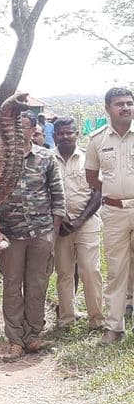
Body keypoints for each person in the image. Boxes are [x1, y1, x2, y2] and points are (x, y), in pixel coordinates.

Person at [0, 111, 65, 362]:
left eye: (24, 128)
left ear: (34, 130)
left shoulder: (46, 158)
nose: (19, 132)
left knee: (37, 286)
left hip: (41, 233)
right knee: (12, 287)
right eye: (15, 128)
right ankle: (15, 340)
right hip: (11, 235)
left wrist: (52, 233)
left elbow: (58, 198)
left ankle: (32, 337)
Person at [85, 87, 134, 344]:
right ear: (107, 109)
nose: (125, 108)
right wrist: (113, 193)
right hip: (114, 212)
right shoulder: (97, 140)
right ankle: (115, 327)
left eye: (129, 103)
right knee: (116, 269)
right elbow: (91, 177)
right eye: (119, 104)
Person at [52, 117, 104, 330]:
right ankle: (66, 320)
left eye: (69, 133)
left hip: (87, 223)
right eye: (61, 133)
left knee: (90, 271)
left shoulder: (89, 159)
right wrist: (61, 218)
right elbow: (42, 192)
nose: (65, 136)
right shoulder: (46, 160)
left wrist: (80, 220)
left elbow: (99, 192)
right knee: (64, 273)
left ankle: (97, 320)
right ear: (54, 135)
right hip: (59, 226)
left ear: (77, 134)